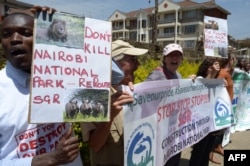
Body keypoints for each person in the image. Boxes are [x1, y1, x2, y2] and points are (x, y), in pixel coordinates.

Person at [0, 9, 83, 165]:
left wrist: (58, 26)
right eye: (6, 34)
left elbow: (116, 75)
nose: (15, 39)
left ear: (43, 38)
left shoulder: (65, 73)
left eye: (25, 32)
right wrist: (43, 160)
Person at [80, 40, 148, 166]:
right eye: (132, 60)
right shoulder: (89, 98)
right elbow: (94, 145)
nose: (138, 65)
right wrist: (109, 116)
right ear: (113, 64)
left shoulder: (132, 91)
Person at [145, 43, 184, 166]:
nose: (174, 59)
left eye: (178, 56)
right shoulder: (157, 75)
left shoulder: (179, 76)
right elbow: (143, 97)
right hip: (160, 131)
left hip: (174, 128)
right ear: (164, 59)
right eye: (171, 56)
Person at [188, 57, 221, 166]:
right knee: (199, 152)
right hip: (200, 124)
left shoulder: (215, 80)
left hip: (210, 122)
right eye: (212, 67)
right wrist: (213, 75)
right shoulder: (199, 79)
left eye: (217, 66)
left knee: (206, 151)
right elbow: (204, 85)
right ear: (206, 68)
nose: (215, 68)